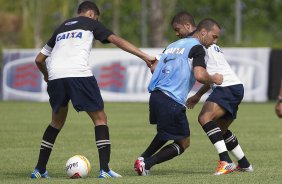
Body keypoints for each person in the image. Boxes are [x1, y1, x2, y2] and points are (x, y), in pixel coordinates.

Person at [31, 1, 155, 179]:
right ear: (91, 14)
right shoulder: (91, 23)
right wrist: (144, 56)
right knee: (100, 119)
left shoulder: (61, 27)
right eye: (96, 17)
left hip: (56, 76)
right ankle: (105, 170)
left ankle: (39, 170)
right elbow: (116, 40)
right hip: (78, 74)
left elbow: (39, 59)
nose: (96, 20)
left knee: (56, 123)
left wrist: (46, 75)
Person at [134, 18, 223, 176]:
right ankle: (146, 164)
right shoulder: (197, 48)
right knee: (184, 142)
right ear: (203, 32)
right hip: (172, 100)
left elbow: (154, 67)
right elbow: (200, 75)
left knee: (165, 132)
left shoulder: (173, 45)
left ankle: (142, 158)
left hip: (156, 96)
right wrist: (214, 79)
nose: (215, 41)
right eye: (214, 36)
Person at [171, 11, 253, 175]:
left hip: (228, 87)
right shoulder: (205, 44)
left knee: (204, 118)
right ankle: (244, 164)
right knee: (220, 130)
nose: (176, 33)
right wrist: (198, 95)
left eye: (178, 29)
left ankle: (225, 162)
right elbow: (214, 77)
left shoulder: (196, 44)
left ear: (189, 27)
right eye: (214, 36)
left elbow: (210, 76)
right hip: (233, 87)